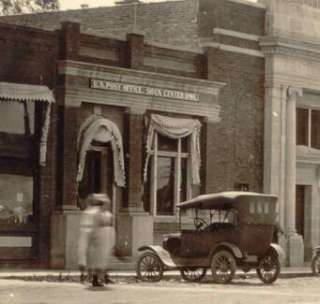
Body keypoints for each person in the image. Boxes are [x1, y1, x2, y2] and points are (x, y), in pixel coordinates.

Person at [78, 193, 115, 287]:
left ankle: (103, 277)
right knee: (96, 260)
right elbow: (94, 227)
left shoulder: (106, 213)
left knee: (102, 259)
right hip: (98, 239)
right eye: (105, 204)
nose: (107, 206)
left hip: (104, 239)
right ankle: (94, 278)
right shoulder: (94, 213)